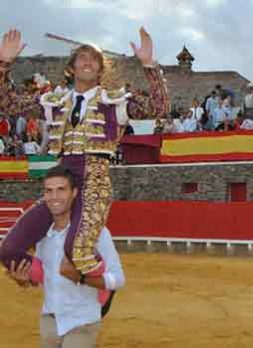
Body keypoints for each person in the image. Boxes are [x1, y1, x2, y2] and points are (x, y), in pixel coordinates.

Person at [0, 28, 168, 281]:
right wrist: (4, 64)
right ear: (72, 68)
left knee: (77, 251)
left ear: (101, 69)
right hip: (60, 180)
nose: (88, 61)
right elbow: (9, 105)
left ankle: (103, 290)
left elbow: (159, 108)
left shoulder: (115, 102)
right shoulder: (54, 101)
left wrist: (148, 65)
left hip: (95, 180)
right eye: (82, 57)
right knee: (9, 250)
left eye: (94, 58)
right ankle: (47, 280)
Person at [5, 165, 125, 347]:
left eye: (61, 190)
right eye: (49, 191)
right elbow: (47, 278)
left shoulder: (96, 233)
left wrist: (81, 278)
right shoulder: (43, 236)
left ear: (74, 193)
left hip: (82, 321)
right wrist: (23, 281)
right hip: (50, 320)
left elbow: (118, 279)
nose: (54, 197)